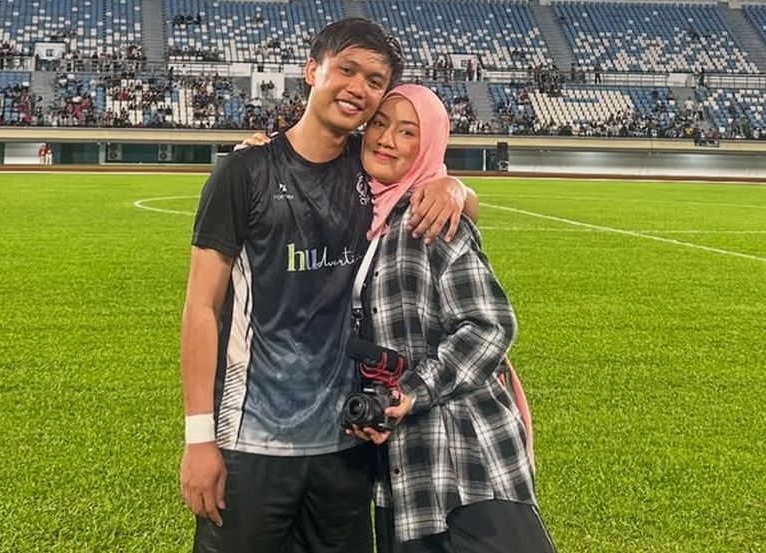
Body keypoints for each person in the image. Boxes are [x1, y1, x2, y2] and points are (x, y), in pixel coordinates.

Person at [180, 18, 477, 553]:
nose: (358, 88)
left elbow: (427, 181)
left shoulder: (370, 174)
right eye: (346, 69)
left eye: (374, 80)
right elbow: (201, 307)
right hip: (252, 443)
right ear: (311, 70)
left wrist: (455, 187)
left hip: (346, 449)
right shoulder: (244, 173)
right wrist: (199, 438)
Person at [349, 84, 557, 553]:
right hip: (402, 476)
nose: (387, 139)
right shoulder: (365, 220)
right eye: (379, 124)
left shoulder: (432, 217)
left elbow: (489, 327)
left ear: (428, 145)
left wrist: (411, 390)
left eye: (408, 132)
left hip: (468, 460)